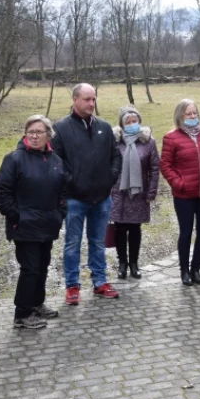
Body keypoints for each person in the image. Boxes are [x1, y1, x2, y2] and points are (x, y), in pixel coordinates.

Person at [0, 115, 67, 329]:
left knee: (42, 265)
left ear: (48, 135)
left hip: (47, 224)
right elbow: (1, 190)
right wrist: (15, 215)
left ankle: (37, 303)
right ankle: (22, 313)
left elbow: (63, 189)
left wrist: (60, 212)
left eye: (39, 132)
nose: (34, 136)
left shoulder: (56, 161)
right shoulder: (14, 158)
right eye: (31, 132)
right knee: (30, 268)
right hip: (24, 225)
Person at [52, 83, 123, 304]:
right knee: (72, 243)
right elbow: (56, 163)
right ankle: (72, 286)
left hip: (101, 198)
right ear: (74, 99)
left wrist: (110, 178)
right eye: (86, 99)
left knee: (97, 242)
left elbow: (115, 156)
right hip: (74, 199)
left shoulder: (104, 126)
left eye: (93, 99)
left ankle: (99, 281)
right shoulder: (61, 128)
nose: (91, 103)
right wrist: (71, 184)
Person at [160, 99, 200, 286]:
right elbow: (165, 165)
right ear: (180, 116)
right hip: (185, 195)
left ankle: (196, 269)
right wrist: (178, 183)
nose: (192, 116)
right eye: (188, 114)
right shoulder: (171, 138)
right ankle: (184, 271)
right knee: (186, 233)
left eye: (194, 113)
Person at [110, 105, 160, 280]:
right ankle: (122, 263)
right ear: (122, 124)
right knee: (120, 228)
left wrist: (151, 192)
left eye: (134, 121)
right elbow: (108, 166)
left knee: (135, 228)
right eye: (128, 121)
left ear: (139, 121)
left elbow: (154, 169)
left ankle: (134, 264)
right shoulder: (115, 141)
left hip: (139, 191)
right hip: (118, 191)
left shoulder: (148, 142)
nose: (132, 124)